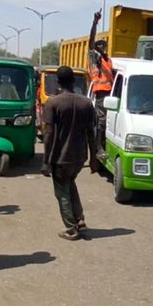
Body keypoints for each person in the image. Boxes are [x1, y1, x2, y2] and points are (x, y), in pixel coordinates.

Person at [41, 65, 98, 241]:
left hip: (60, 158)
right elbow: (92, 132)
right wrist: (94, 158)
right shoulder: (86, 103)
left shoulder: (53, 103)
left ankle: (71, 228)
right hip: (79, 158)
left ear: (58, 82)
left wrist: (45, 161)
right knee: (69, 184)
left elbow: (48, 133)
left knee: (62, 192)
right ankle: (79, 219)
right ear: (74, 81)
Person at [87, 10, 114, 146]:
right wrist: (95, 23)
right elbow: (91, 42)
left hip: (111, 94)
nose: (102, 47)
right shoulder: (95, 59)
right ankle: (98, 147)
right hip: (101, 93)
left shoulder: (108, 60)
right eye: (99, 45)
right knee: (101, 121)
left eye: (103, 45)